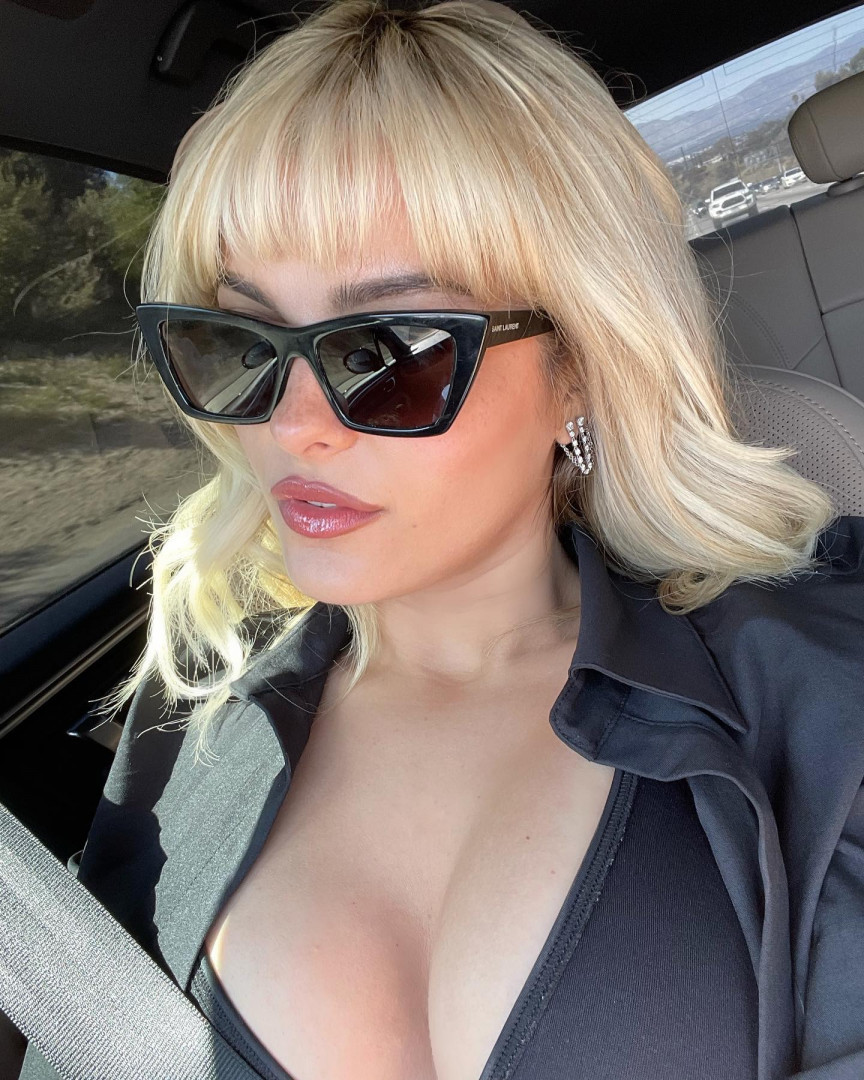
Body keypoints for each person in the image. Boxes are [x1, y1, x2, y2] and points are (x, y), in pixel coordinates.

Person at [18, 1, 864, 1078]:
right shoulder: (185, 722)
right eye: (240, 340)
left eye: (389, 351)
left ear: (580, 365)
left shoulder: (821, 693)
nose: (293, 427)